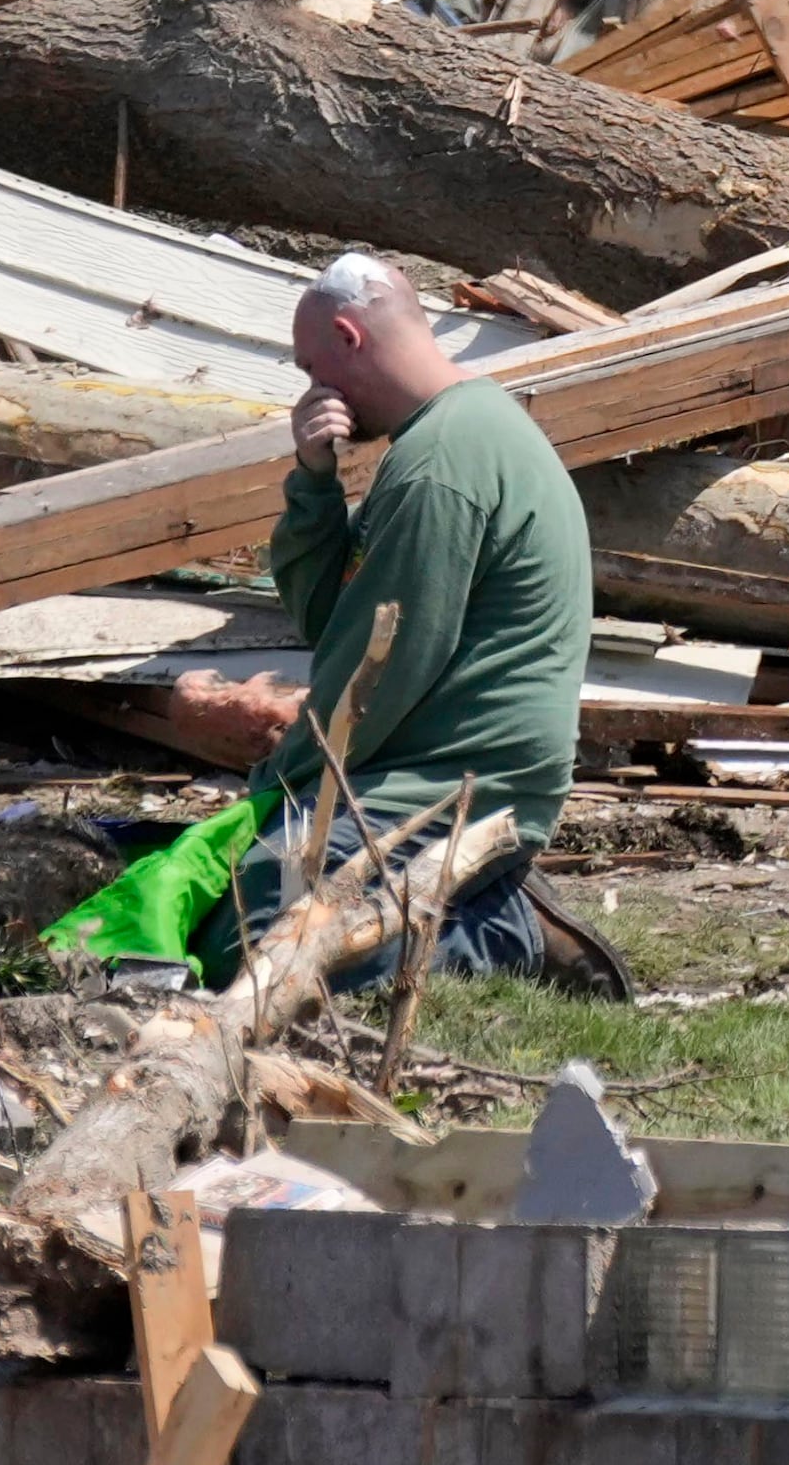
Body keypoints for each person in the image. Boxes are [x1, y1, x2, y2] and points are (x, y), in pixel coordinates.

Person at [216, 255, 602, 985]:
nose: (313, 388)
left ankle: (501, 933)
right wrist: (314, 481)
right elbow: (333, 620)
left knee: (256, 932)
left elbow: (380, 668)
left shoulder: (440, 464)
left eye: (311, 367)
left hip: (458, 783)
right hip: (434, 768)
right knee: (248, 896)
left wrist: (281, 785)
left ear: (346, 336)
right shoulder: (448, 433)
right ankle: (470, 903)